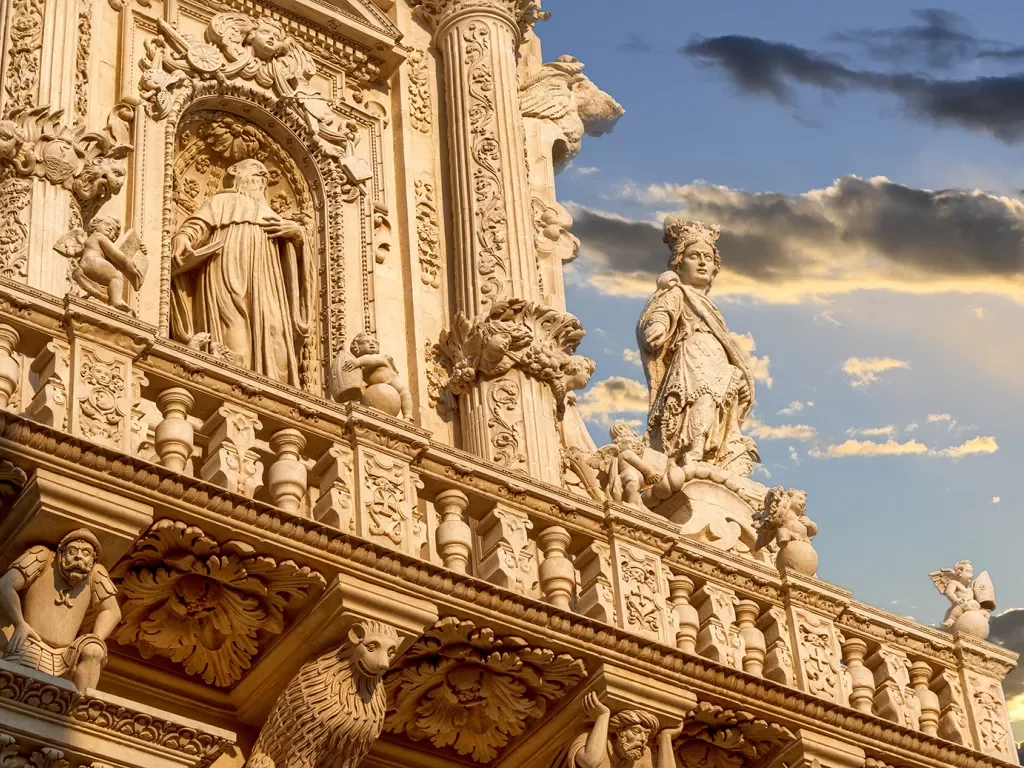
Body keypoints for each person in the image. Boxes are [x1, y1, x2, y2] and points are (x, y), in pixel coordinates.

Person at [170, 158, 313, 386]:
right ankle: (233, 390)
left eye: (265, 174)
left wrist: (297, 234)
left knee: (277, 335)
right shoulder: (222, 201)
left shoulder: (274, 215)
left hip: (268, 279)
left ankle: (274, 390)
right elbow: (197, 225)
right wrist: (182, 238)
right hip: (226, 267)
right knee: (233, 332)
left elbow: (299, 264)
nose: (263, 175)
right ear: (235, 171)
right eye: (256, 169)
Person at [636, 218, 757, 474]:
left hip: (716, 361)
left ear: (715, 267)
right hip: (692, 356)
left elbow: (725, 345)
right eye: (694, 256)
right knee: (700, 399)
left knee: (719, 403)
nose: (702, 262)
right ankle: (692, 452)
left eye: (708, 258)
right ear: (679, 263)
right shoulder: (678, 292)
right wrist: (657, 326)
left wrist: (739, 376)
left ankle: (717, 454)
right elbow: (663, 312)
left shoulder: (712, 307)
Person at [0, 529, 120, 690]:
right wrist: (20, 622)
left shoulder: (96, 573)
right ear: (61, 553)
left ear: (93, 561)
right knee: (17, 687)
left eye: (86, 553)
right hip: (30, 645)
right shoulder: (43, 556)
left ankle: (83, 705)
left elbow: (112, 611)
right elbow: (6, 585)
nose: (79, 557)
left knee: (94, 649)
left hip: (68, 656)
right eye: (72, 551)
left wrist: (95, 638)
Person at [566, 693, 680, 768]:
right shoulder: (590, 738)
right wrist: (603, 716)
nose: (643, 739)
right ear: (619, 730)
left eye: (646, 734)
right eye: (636, 731)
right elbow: (589, 762)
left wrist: (665, 738)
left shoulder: (644, 756)